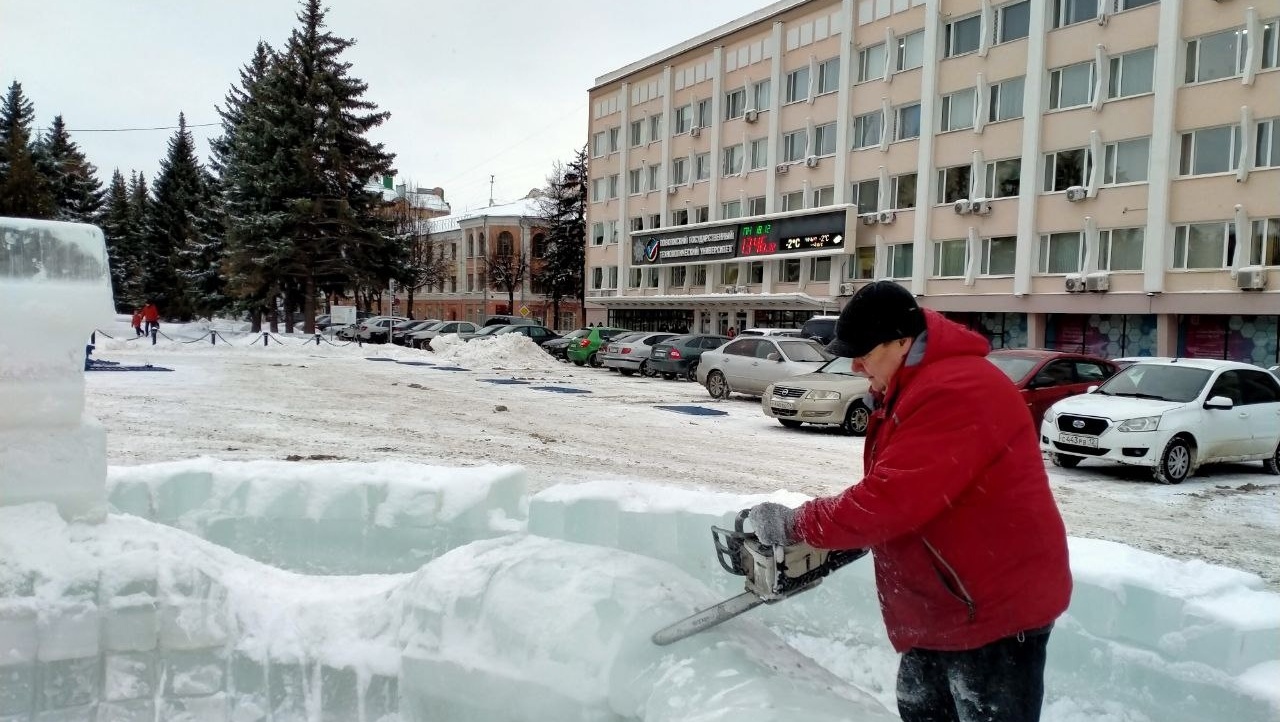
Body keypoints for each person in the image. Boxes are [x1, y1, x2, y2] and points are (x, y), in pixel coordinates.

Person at [747, 280, 1071, 722]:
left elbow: (890, 500)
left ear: (902, 341)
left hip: (991, 610)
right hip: (944, 606)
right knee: (920, 709)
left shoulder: (956, 389)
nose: (855, 365)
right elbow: (910, 495)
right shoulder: (912, 386)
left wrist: (797, 524)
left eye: (864, 352)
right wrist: (842, 541)